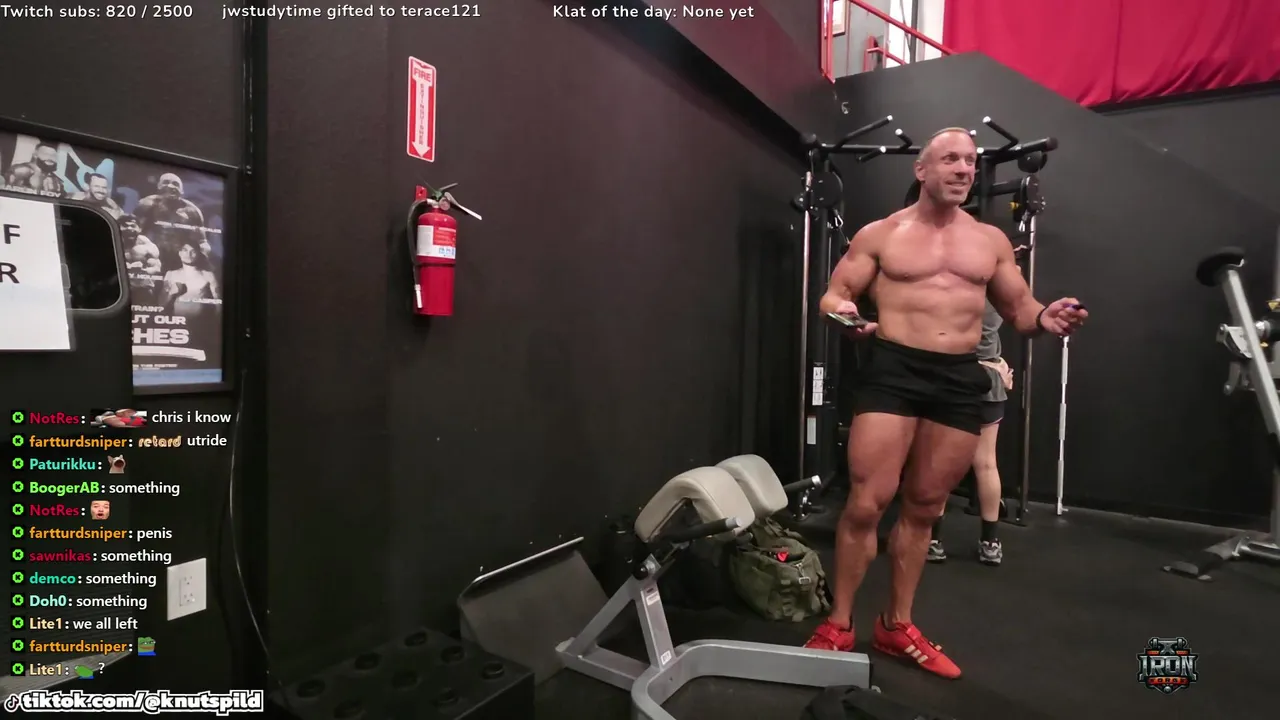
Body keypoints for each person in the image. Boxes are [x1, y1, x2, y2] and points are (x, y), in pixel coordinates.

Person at [802, 128, 1087, 679]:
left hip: (958, 376)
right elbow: (834, 296)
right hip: (893, 371)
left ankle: (895, 625)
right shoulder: (881, 234)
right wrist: (846, 316)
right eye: (951, 159)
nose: (963, 169)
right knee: (866, 503)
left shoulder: (989, 241)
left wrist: (1046, 318)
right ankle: (839, 623)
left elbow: (1021, 308)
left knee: (927, 506)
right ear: (922, 170)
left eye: (970, 161)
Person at [928, 300, 1014, 566]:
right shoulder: (999, 294)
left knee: (942, 463)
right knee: (986, 464)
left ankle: (933, 541)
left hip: (957, 380)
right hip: (989, 381)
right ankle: (990, 543)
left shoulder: (956, 292)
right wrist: (997, 363)